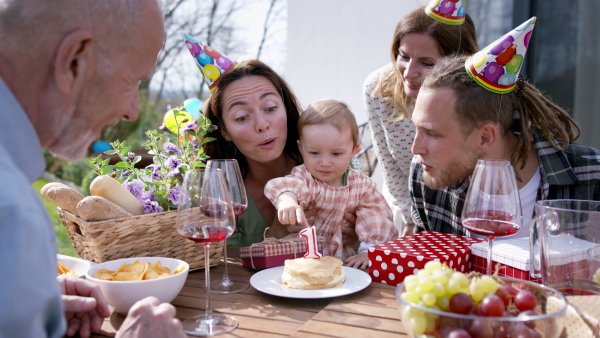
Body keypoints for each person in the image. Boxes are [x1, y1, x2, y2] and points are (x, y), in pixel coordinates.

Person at [0, 0, 186, 337]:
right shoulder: (11, 213)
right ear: (74, 61)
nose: (132, 111)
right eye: (135, 82)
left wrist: (26, 301)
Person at [409, 54, 600, 237]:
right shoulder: (424, 174)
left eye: (432, 133)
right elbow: (425, 266)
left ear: (484, 137)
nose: (416, 149)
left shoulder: (591, 174)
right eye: (416, 129)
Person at [196, 57, 360, 248]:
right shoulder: (216, 191)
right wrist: (275, 237)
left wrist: (357, 238)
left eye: (271, 108)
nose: (262, 124)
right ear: (224, 131)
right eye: (242, 117)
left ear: (285, 108)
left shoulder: (332, 162)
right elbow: (222, 266)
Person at [363, 5, 478, 236]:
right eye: (403, 56)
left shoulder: (474, 99)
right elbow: (389, 165)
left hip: (464, 213)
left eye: (426, 63)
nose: (408, 72)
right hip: (405, 208)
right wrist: (410, 220)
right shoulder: (378, 89)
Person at [264, 99, 398, 269]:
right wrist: (287, 201)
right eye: (314, 153)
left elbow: (377, 217)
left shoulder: (362, 186)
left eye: (336, 153)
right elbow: (288, 186)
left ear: (354, 151)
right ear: (301, 148)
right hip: (301, 253)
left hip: (340, 256)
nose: (325, 162)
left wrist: (368, 250)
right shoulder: (304, 177)